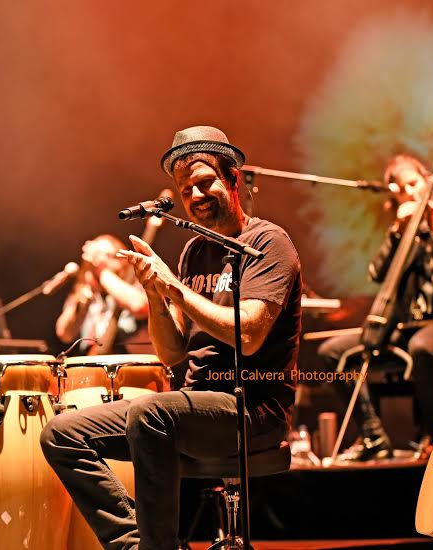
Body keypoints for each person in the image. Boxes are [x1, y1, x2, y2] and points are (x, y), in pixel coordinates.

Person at [40, 126, 303, 549]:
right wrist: (153, 289)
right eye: (186, 190)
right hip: (193, 406)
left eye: (205, 183)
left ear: (233, 180)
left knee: (150, 415)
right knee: (61, 433)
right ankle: (138, 543)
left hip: (252, 410)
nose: (195, 196)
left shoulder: (269, 243)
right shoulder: (193, 252)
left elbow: (249, 335)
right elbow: (172, 352)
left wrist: (174, 287)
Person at [318, 154, 433, 461]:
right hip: (403, 328)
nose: (410, 193)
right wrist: (396, 234)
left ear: (426, 181)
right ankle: (372, 435)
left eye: (414, 184)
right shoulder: (400, 230)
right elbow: (376, 273)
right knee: (332, 352)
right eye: (401, 189)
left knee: (422, 348)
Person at [55, 234, 150, 354]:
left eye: (107, 255)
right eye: (95, 256)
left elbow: (140, 306)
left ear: (122, 260)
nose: (97, 261)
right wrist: (83, 301)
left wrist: (102, 271)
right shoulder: (85, 292)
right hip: (93, 367)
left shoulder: (135, 285)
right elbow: (65, 334)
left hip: (134, 367)